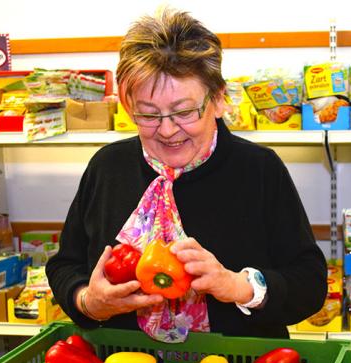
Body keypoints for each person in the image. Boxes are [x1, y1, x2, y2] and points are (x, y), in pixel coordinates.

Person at [46, 7, 326, 342]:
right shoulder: (108, 167)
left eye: (183, 111)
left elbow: (309, 283)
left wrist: (237, 286)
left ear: (219, 99)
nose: (166, 130)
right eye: (148, 114)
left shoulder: (259, 170)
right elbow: (65, 265)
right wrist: (89, 302)